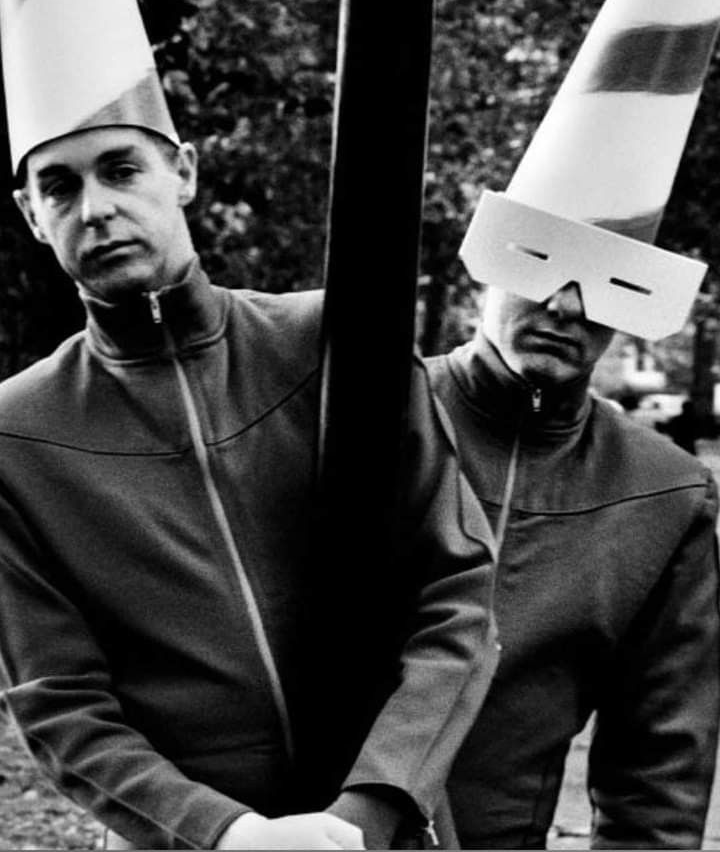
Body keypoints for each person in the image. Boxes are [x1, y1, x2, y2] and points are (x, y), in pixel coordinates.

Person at [0, 121, 498, 852]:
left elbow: (457, 595)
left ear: (186, 173)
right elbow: (61, 703)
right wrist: (228, 835)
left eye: (121, 170)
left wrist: (371, 807)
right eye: (60, 186)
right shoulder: (16, 436)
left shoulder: (337, 340)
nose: (96, 208)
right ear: (30, 215)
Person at [426, 281, 720, 848]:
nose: (566, 306)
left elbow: (658, 777)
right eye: (540, 264)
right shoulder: (353, 410)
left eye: (610, 280)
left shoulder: (666, 493)